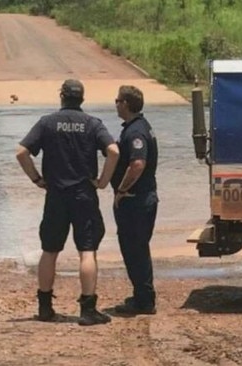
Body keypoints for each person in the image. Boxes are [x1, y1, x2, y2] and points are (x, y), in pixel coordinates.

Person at [16, 79, 119, 326]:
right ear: (82, 98)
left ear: (61, 96)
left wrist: (36, 179)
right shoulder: (93, 124)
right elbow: (114, 151)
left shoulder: (47, 123)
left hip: (56, 195)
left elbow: (21, 152)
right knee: (87, 251)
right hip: (84, 195)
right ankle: (87, 309)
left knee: (50, 250)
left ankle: (45, 307)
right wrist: (103, 181)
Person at [111, 85, 159, 315]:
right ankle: (143, 295)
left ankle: (144, 301)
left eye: (118, 100)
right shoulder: (138, 127)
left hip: (135, 200)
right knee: (138, 248)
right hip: (142, 198)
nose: (116, 103)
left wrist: (121, 190)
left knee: (134, 249)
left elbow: (137, 164)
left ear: (126, 104)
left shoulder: (136, 132)